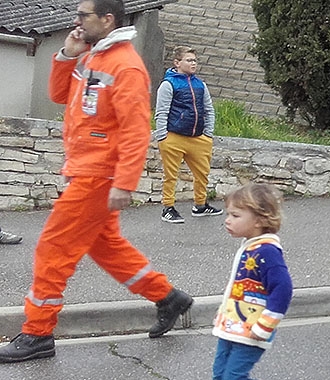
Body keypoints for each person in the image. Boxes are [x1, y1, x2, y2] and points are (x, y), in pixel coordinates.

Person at [0, 0, 193, 364]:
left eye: (82, 16)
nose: (76, 21)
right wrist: (66, 55)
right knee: (106, 247)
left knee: (52, 250)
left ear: (107, 20)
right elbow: (60, 96)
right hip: (86, 170)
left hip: (98, 175)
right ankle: (169, 298)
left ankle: (37, 333)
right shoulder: (93, 57)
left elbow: (137, 131)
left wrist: (125, 181)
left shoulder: (126, 66)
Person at [212, 183, 292, 380]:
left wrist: (265, 325)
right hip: (234, 325)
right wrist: (224, 311)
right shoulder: (251, 247)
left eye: (235, 216)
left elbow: (283, 289)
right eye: (228, 214)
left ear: (260, 220)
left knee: (233, 377)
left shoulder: (267, 252)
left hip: (253, 328)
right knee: (220, 374)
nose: (227, 221)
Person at [153, 45, 221, 224]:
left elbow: (208, 109)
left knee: (202, 173)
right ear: (177, 63)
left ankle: (200, 204)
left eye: (195, 60)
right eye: (189, 60)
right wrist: (162, 137)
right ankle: (168, 207)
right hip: (174, 137)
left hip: (198, 138)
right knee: (170, 175)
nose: (193, 63)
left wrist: (208, 134)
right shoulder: (168, 84)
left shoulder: (200, 84)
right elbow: (161, 112)